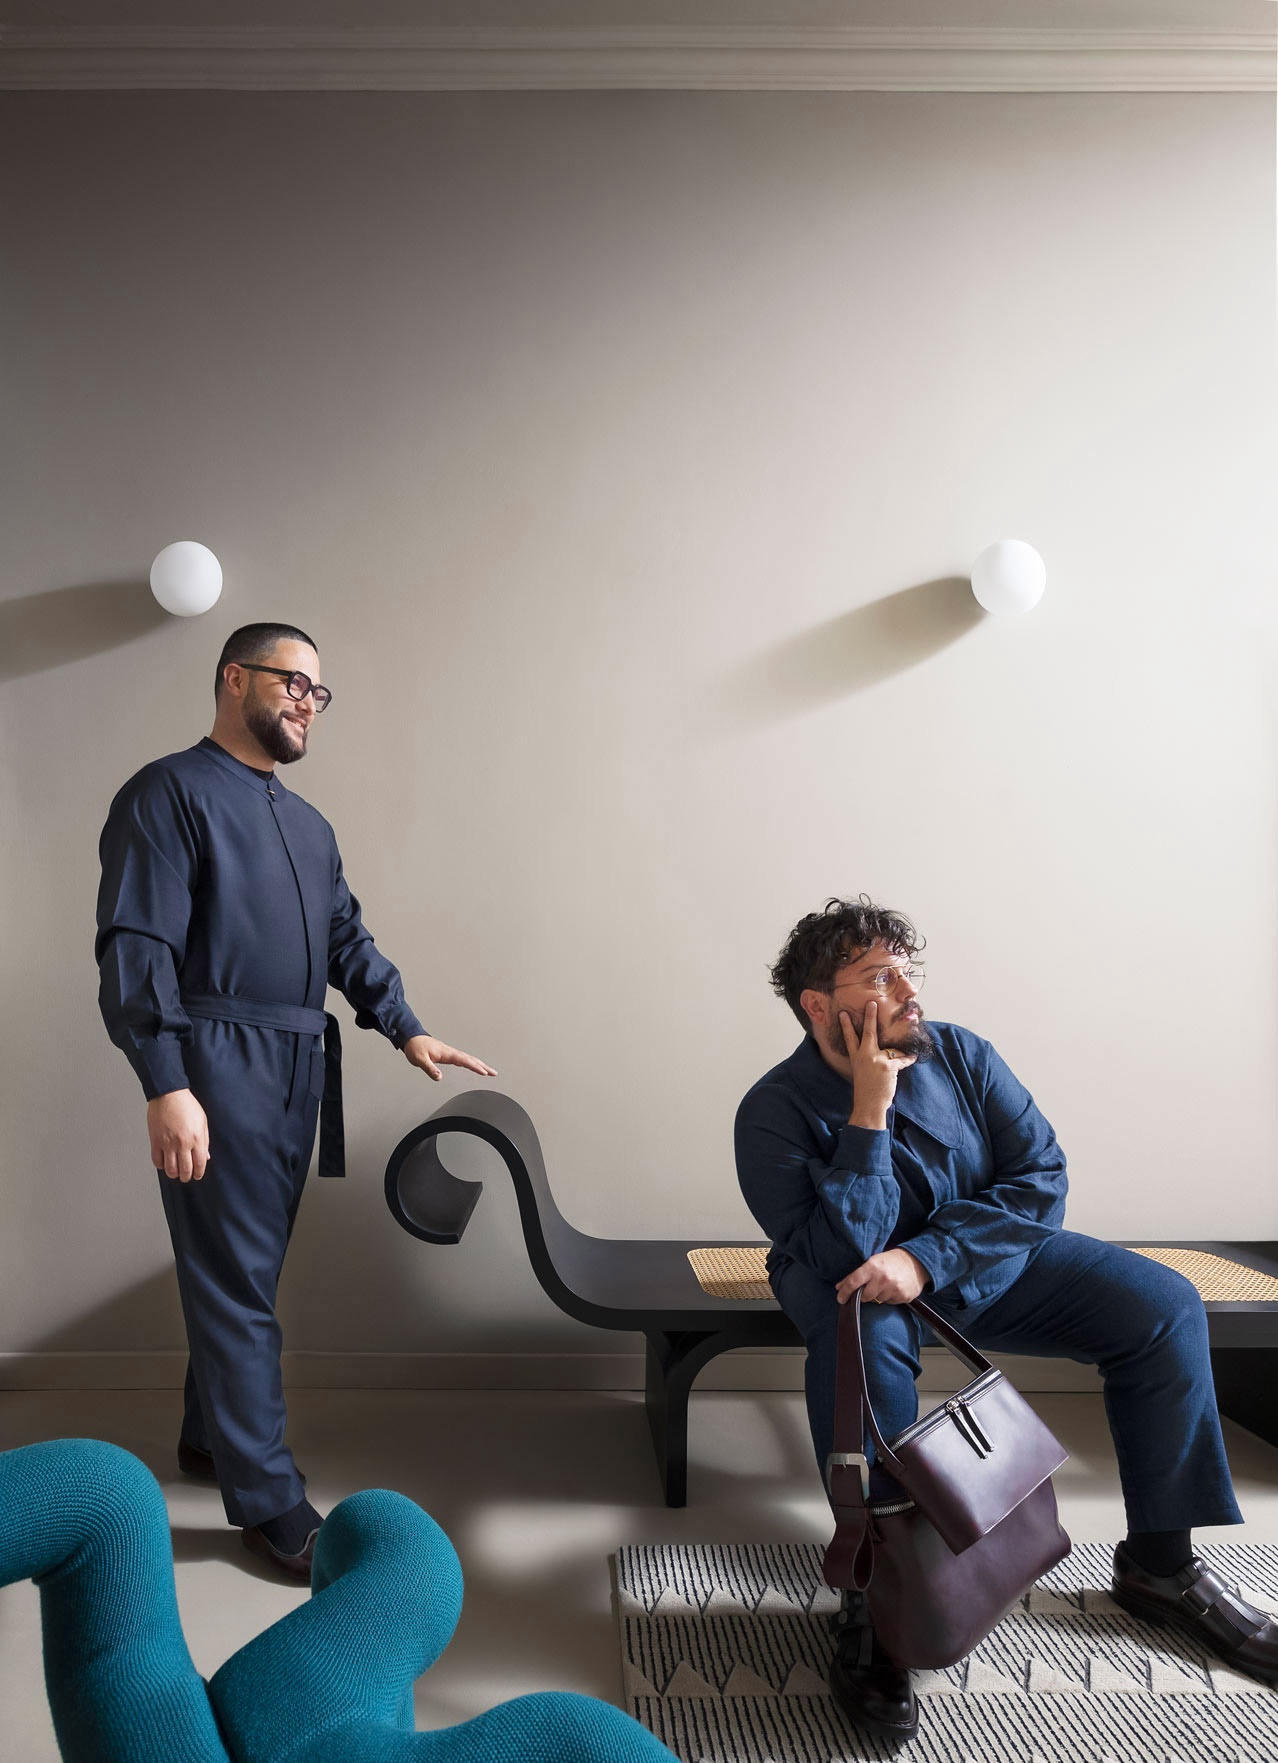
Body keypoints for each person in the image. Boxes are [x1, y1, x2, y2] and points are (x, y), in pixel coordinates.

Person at [736, 895, 1277, 1743]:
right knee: (860, 1344)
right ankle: (875, 1604)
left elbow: (1040, 1176)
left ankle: (1162, 1566)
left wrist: (931, 1258)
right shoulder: (771, 1110)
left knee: (1163, 1306)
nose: (908, 990)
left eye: (908, 970)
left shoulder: (963, 1054)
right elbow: (841, 1250)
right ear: (817, 1005)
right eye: (880, 977)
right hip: (851, 1285)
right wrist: (870, 1111)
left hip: (979, 1264)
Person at [96, 622, 495, 1579]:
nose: (308, 703)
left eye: (319, 691)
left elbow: (345, 936)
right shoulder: (166, 793)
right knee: (239, 1280)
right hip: (216, 1059)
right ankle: (270, 1499)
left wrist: (403, 1024)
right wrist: (167, 1080)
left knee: (246, 1271)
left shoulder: (309, 827)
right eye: (292, 682)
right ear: (235, 678)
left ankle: (208, 1437)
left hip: (296, 1068)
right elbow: (135, 943)